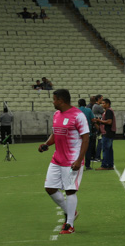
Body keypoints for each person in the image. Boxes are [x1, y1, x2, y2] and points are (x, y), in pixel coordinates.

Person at [38, 89, 90, 234]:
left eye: (54, 99)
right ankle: (70, 212)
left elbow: (86, 138)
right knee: (49, 188)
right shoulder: (56, 114)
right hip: (57, 158)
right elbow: (55, 134)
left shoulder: (78, 116)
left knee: (70, 190)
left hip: (72, 160)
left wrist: (79, 160)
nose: (53, 102)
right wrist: (46, 145)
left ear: (61, 100)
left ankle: (70, 225)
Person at [94, 97, 116, 170]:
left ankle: (105, 165)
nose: (102, 105)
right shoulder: (108, 111)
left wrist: (100, 121)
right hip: (110, 132)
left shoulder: (108, 111)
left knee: (106, 149)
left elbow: (109, 121)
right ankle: (110, 165)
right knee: (109, 150)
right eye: (102, 103)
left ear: (108, 104)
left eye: (104, 103)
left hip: (107, 132)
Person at [77, 99, 95, 168]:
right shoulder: (88, 110)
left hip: (78, 133)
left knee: (78, 150)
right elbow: (93, 120)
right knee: (88, 150)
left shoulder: (77, 110)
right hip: (87, 132)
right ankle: (87, 165)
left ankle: (78, 163)